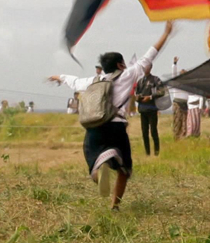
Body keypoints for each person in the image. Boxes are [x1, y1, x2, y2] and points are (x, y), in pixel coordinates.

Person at [48, 21, 173, 210]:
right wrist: (166, 33)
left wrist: (57, 77)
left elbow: (72, 81)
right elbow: (149, 56)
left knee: (95, 164)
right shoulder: (127, 74)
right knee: (124, 170)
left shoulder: (93, 80)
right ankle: (115, 206)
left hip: (94, 127)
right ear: (120, 64)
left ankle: (99, 175)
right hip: (116, 126)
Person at [135, 65, 164, 156]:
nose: (145, 69)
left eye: (147, 67)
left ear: (150, 68)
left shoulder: (155, 79)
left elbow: (162, 92)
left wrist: (150, 97)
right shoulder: (140, 81)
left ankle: (156, 152)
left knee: (153, 131)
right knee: (144, 132)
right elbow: (136, 93)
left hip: (152, 109)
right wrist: (137, 98)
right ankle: (147, 152)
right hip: (143, 110)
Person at [170, 57, 189, 141]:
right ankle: (176, 138)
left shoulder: (188, 84)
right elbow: (173, 73)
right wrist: (174, 64)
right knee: (177, 122)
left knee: (185, 123)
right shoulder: (175, 82)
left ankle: (184, 137)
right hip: (177, 102)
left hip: (185, 104)